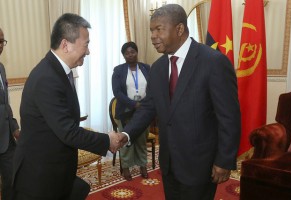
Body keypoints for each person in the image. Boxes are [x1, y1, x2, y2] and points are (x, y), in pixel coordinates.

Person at [119, 4, 241, 200]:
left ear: (179, 29)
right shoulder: (158, 68)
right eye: (151, 30)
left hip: (200, 164)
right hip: (169, 163)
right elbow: (149, 106)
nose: (152, 36)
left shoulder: (213, 62)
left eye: (159, 29)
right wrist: (126, 133)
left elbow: (229, 117)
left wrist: (224, 160)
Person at [12, 13, 123, 200]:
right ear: (66, 44)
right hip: (39, 178)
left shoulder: (60, 72)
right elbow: (68, 132)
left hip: (56, 171)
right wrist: (107, 140)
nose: (88, 51)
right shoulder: (47, 77)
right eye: (86, 44)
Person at [112, 42, 150, 181]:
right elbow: (117, 92)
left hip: (144, 110)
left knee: (141, 139)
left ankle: (143, 166)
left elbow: (152, 88)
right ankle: (126, 168)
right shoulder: (118, 70)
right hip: (126, 110)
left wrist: (144, 105)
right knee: (125, 139)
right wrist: (134, 104)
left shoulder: (146, 68)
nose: (130, 55)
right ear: (123, 55)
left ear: (137, 52)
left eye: (133, 51)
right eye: (127, 53)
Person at [0, 28, 20, 200]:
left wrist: (14, 127)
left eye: (2, 41)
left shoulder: (1, 68)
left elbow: (5, 103)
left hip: (7, 140)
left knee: (11, 181)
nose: (0, 45)